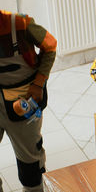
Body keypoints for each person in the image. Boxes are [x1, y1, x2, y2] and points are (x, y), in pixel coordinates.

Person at [0, 10, 57, 192]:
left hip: (23, 101)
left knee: (30, 158)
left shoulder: (20, 23)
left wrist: (39, 83)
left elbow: (50, 46)